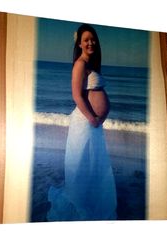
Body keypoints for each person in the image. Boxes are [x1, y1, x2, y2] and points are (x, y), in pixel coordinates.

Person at [47, 24, 117, 221]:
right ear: (79, 43)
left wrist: (98, 118)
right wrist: (93, 118)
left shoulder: (91, 64)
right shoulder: (80, 64)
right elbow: (77, 96)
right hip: (85, 123)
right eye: (86, 39)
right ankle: (80, 207)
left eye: (93, 39)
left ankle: (89, 201)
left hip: (93, 125)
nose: (90, 42)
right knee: (80, 166)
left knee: (92, 166)